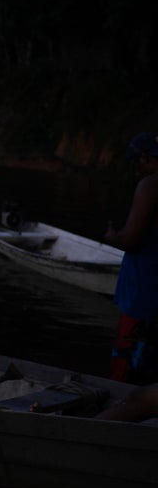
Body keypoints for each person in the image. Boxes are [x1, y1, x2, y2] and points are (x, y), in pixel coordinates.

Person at [104, 132, 158, 385]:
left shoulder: (150, 185)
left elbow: (130, 239)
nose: (135, 169)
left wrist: (113, 236)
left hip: (143, 299)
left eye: (136, 162)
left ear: (145, 158)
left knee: (126, 378)